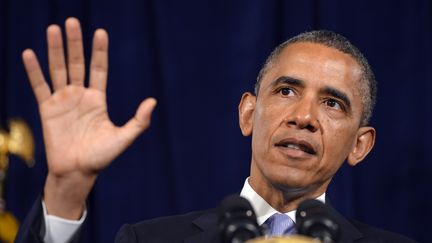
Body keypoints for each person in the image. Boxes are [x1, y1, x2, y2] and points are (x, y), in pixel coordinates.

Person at [15, 17, 415, 243]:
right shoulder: (150, 241)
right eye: (287, 90)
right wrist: (66, 190)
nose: (304, 116)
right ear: (248, 114)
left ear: (360, 145)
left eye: (332, 103)